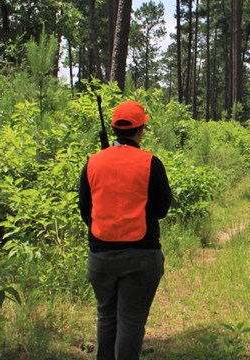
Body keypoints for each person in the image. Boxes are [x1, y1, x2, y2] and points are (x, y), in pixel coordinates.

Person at [79, 100, 172, 360]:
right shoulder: (150, 163)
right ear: (140, 130)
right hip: (142, 257)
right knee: (130, 322)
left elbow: (86, 210)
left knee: (106, 317)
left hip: (100, 257)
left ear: (114, 129)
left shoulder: (93, 162)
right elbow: (162, 208)